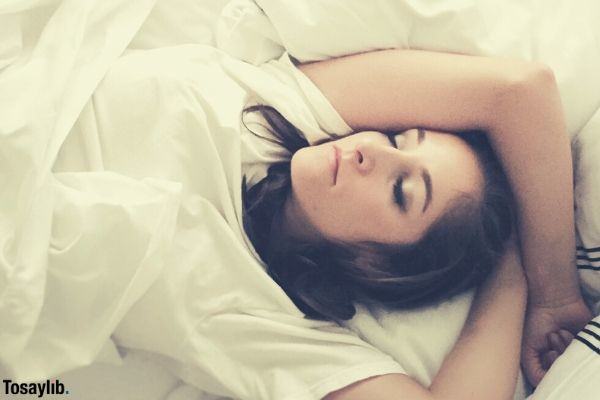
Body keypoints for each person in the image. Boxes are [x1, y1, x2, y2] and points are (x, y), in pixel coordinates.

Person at [242, 49, 592, 399]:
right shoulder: (284, 102)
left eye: (400, 191)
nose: (370, 149)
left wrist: (513, 269)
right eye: (397, 139)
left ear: (380, 267)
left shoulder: (254, 313)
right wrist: (555, 294)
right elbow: (520, 92)